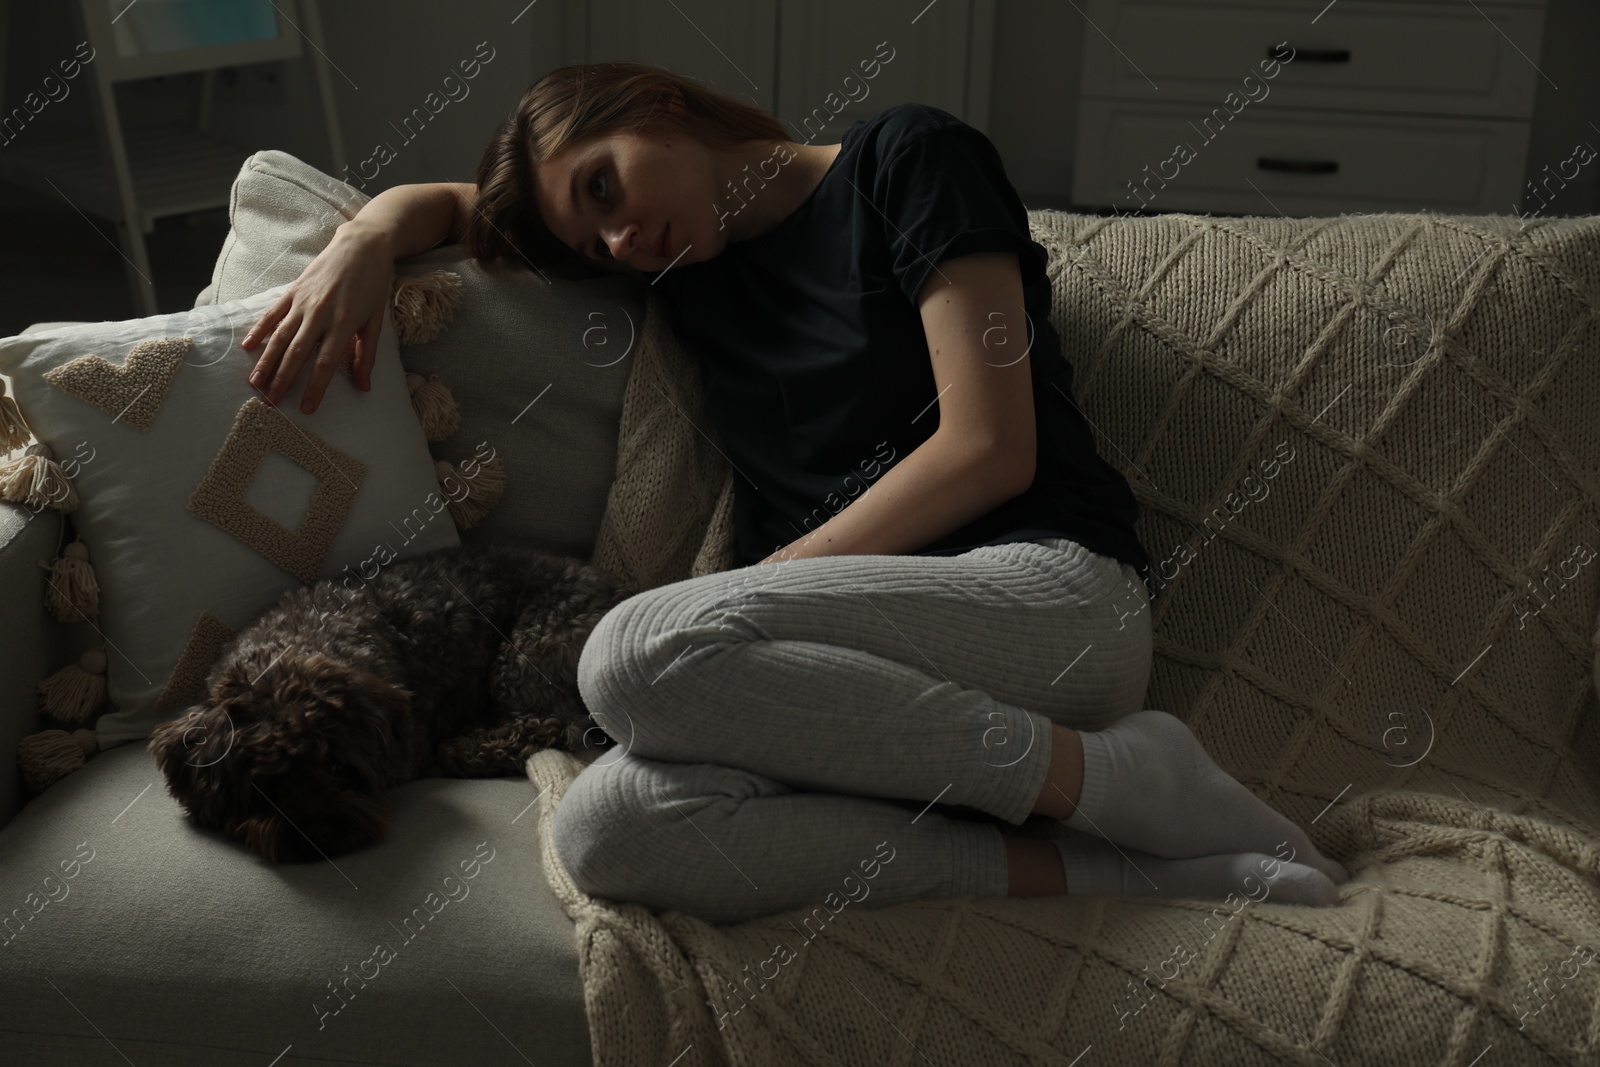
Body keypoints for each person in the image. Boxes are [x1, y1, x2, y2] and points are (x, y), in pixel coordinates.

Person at [239, 62, 1349, 924]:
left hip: (1044, 597)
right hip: (834, 679)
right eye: (600, 240)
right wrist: (365, 238)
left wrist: (758, 591)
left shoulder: (907, 159)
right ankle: (1111, 869)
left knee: (629, 653)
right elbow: (465, 205)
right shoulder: (691, 270)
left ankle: (1123, 771)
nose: (626, 237)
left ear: (657, 101)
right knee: (606, 829)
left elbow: (989, 447)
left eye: (607, 184)